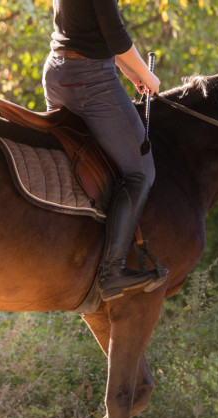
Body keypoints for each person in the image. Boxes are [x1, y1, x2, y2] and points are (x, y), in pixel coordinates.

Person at [42, 0, 164, 301]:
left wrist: (130, 70)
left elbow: (87, 26)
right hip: (89, 78)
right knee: (141, 169)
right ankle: (111, 272)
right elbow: (115, 32)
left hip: (57, 70)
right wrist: (146, 76)